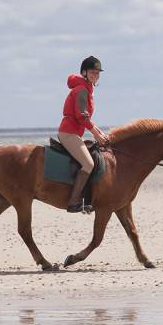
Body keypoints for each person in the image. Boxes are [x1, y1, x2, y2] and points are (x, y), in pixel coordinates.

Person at [57, 56, 109, 213]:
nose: (95, 75)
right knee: (88, 164)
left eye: (97, 73)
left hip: (74, 133)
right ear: (84, 73)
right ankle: (73, 202)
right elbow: (82, 116)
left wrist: (101, 134)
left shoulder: (86, 88)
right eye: (92, 72)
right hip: (68, 133)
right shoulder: (81, 90)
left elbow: (87, 118)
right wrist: (96, 135)